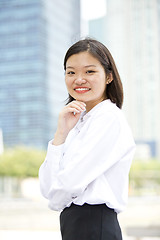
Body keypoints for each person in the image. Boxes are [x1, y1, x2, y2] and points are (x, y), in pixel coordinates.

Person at [39, 38, 136, 240]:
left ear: (109, 76)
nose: (79, 79)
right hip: (75, 226)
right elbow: (48, 187)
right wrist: (61, 134)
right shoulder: (77, 123)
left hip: (94, 225)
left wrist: (56, 201)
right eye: (71, 72)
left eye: (89, 71)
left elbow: (65, 186)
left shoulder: (108, 118)